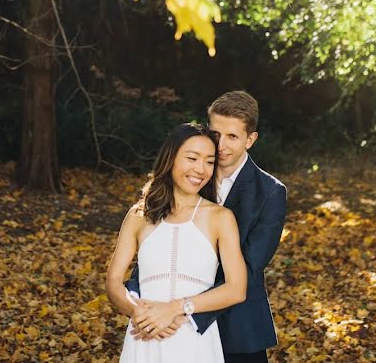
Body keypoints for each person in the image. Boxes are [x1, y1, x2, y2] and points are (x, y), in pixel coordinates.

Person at [127, 91, 287, 363]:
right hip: (168, 327)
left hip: (238, 329)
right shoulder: (187, 176)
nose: (221, 145)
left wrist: (181, 310)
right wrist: (140, 297)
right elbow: (158, 240)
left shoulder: (270, 193)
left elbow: (246, 269)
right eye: (216, 134)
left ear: (251, 139)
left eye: (233, 137)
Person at [106, 123, 247, 362]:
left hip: (194, 341)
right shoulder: (139, 215)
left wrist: (173, 309)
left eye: (210, 161)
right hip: (144, 337)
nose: (201, 169)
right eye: (192, 158)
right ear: (170, 159)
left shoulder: (221, 218)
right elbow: (113, 281)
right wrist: (139, 314)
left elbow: (236, 289)